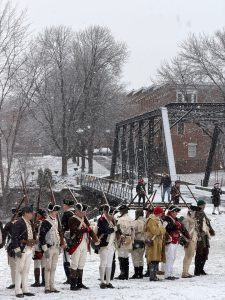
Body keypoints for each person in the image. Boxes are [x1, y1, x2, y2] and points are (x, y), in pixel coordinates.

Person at [68, 203, 99, 291]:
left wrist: (95, 238)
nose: (84, 213)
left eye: (84, 212)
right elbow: (75, 231)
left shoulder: (84, 218)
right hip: (76, 244)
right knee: (74, 264)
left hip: (85, 243)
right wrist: (86, 229)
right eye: (83, 212)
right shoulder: (72, 219)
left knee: (81, 264)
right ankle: (73, 284)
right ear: (77, 211)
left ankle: (79, 283)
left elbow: (90, 229)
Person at [11, 206, 36, 298]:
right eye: (30, 213)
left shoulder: (29, 222)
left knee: (26, 270)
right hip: (21, 249)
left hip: (29, 249)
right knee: (19, 270)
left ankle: (25, 289)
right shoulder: (19, 223)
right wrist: (17, 250)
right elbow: (14, 237)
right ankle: (18, 290)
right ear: (25, 213)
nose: (32, 214)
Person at [39, 203, 63, 293]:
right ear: (50, 211)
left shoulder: (56, 221)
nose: (56, 212)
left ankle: (52, 286)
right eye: (55, 210)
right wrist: (45, 249)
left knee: (53, 268)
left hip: (56, 248)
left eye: (57, 210)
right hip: (49, 248)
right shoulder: (46, 222)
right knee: (48, 268)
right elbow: (41, 237)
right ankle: (47, 287)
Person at [163, 205, 190, 280]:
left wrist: (187, 236)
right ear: (171, 212)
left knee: (173, 257)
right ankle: (167, 275)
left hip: (175, 240)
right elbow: (165, 229)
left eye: (177, 212)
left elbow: (182, 228)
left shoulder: (175, 219)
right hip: (169, 240)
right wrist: (176, 225)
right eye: (175, 211)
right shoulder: (166, 219)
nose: (176, 213)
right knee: (169, 257)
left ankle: (169, 273)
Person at [97, 204, 117, 289]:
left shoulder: (113, 221)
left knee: (109, 264)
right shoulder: (101, 220)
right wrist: (113, 229)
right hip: (104, 244)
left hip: (111, 245)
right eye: (110, 213)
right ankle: (102, 281)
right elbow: (105, 230)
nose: (112, 215)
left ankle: (108, 282)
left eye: (112, 214)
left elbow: (117, 232)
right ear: (106, 212)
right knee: (103, 263)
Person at [144, 206, 166, 281]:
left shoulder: (157, 220)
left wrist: (161, 229)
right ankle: (152, 276)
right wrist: (162, 229)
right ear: (158, 213)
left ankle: (154, 275)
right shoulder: (151, 220)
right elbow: (155, 231)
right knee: (153, 259)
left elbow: (161, 230)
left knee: (156, 259)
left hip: (157, 242)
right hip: (153, 242)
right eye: (161, 213)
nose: (162, 214)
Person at [194, 199, 215, 276]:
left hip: (205, 235)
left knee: (205, 253)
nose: (204, 206)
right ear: (199, 205)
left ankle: (201, 269)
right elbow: (195, 224)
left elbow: (206, 223)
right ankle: (197, 270)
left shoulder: (203, 212)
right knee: (199, 252)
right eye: (202, 205)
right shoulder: (195, 213)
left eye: (204, 205)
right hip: (199, 235)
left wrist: (211, 229)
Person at [180, 205, 201, 278]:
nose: (197, 214)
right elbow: (185, 232)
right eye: (196, 212)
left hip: (193, 239)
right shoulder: (186, 219)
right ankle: (184, 272)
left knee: (190, 256)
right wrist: (187, 240)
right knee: (187, 256)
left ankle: (186, 271)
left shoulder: (193, 220)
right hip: (189, 240)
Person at [115, 205, 134, 280]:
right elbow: (133, 231)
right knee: (126, 256)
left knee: (121, 256)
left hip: (122, 239)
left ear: (122, 211)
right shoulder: (131, 219)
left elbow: (117, 230)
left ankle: (122, 274)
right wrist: (132, 239)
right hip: (129, 238)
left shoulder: (120, 219)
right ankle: (126, 274)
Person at [61, 198, 75, 284]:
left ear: (67, 206)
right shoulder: (76, 213)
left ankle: (69, 278)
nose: (63, 207)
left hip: (68, 238)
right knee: (75, 259)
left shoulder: (66, 214)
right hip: (76, 239)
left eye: (64, 205)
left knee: (66, 259)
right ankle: (75, 277)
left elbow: (63, 227)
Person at [31, 209, 47, 287]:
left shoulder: (38, 223)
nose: (36, 216)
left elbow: (36, 234)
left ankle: (37, 282)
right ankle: (43, 281)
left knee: (37, 264)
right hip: (45, 245)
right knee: (43, 264)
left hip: (38, 245)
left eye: (37, 215)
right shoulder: (46, 222)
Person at [130, 209, 145, 279]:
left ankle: (136, 273)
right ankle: (141, 273)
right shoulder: (145, 221)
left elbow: (131, 231)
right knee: (141, 258)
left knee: (135, 258)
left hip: (136, 241)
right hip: (143, 242)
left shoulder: (135, 222)